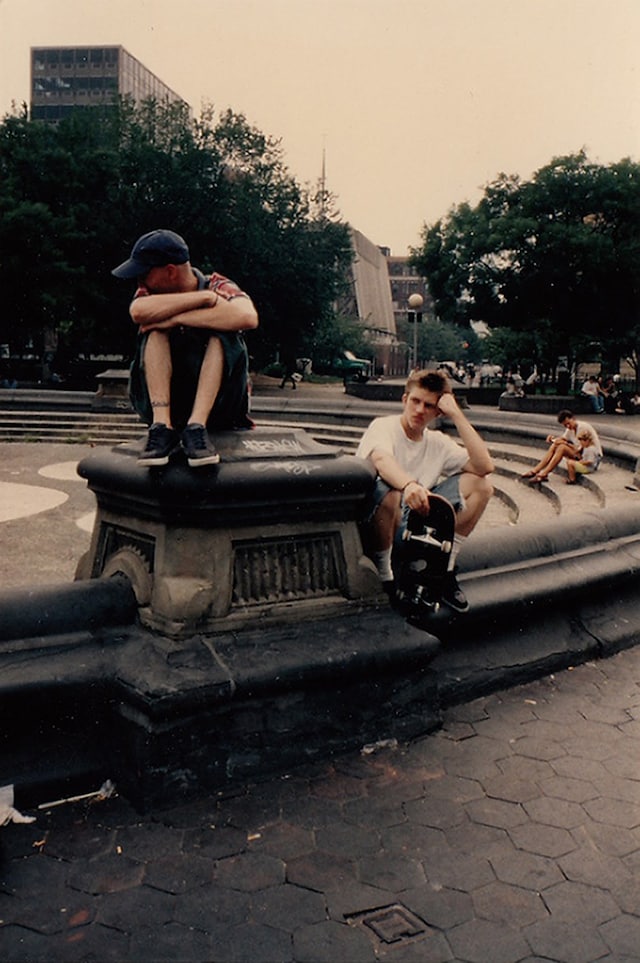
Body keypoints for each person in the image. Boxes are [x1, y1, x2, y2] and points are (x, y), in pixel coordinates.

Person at [112, 230, 258, 467]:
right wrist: (205, 300)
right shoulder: (152, 292)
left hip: (219, 408)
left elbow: (247, 317)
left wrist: (176, 319)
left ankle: (196, 426)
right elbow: (139, 311)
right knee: (155, 330)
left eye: (145, 274)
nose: (140, 282)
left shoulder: (219, 283)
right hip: (165, 403)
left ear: (170, 271)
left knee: (223, 333)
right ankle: (162, 426)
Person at [355, 369, 494, 612]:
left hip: (417, 520)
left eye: (428, 406)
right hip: (380, 520)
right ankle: (385, 575)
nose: (419, 410)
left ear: (438, 412)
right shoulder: (383, 426)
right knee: (390, 489)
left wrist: (458, 416)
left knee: (482, 485)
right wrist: (409, 485)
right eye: (415, 401)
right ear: (404, 400)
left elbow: (484, 466)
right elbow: (381, 459)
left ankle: (444, 568)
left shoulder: (437, 442)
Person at [521, 409, 603, 483]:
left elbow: (580, 448)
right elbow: (563, 439)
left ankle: (544, 474)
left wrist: (565, 444)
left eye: (568, 424)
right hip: (581, 453)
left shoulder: (582, 428)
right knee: (555, 445)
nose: (567, 426)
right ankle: (535, 470)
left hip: (590, 456)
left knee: (562, 448)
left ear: (573, 418)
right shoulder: (570, 429)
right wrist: (553, 439)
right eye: (565, 425)